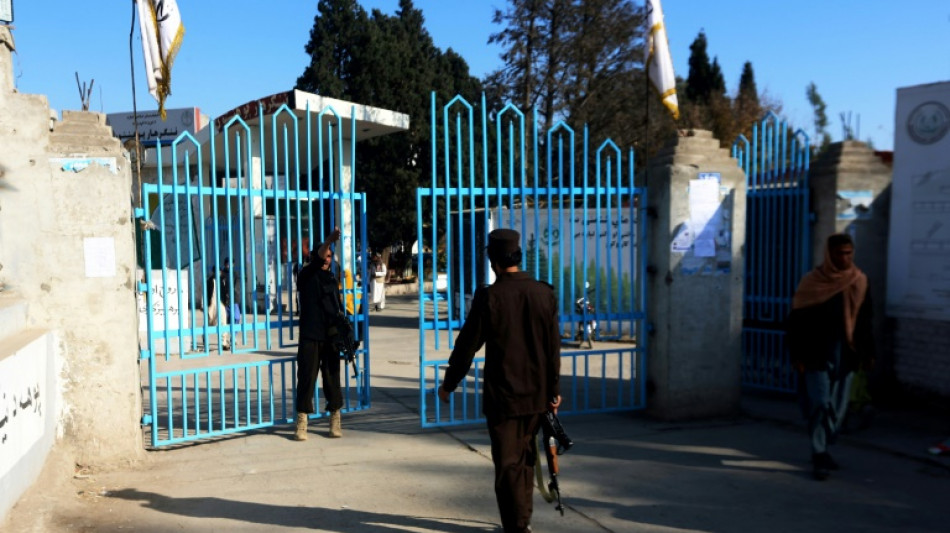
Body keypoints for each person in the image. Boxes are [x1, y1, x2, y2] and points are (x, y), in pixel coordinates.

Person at [438, 228, 561, 533]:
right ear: (518, 255)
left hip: (504, 398)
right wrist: (554, 391)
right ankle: (523, 523)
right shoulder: (544, 293)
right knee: (527, 461)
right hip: (537, 396)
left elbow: (467, 345)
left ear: (493, 260)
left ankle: (517, 527)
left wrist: (450, 383)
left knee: (508, 467)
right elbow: (552, 348)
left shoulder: (490, 297)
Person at [786, 233, 874, 481]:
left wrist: (869, 353)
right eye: (839, 253)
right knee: (820, 403)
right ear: (829, 254)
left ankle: (824, 444)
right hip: (815, 354)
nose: (844, 258)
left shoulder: (860, 281)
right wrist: (797, 355)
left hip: (846, 354)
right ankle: (819, 454)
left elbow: (866, 320)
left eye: (848, 253)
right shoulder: (811, 282)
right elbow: (796, 323)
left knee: (837, 408)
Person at [294, 227, 346, 440]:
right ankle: (302, 421)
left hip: (330, 335)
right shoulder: (306, 274)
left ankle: (335, 417)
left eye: (330, 256)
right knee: (306, 378)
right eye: (324, 255)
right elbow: (317, 259)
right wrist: (329, 240)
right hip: (310, 335)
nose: (327, 259)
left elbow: (337, 305)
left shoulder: (332, 279)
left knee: (332, 378)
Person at [205, 264, 231, 351]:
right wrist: (203, 305)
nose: (219, 273)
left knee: (223, 323)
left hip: (221, 304)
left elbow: (226, 292)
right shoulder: (209, 281)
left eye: (219, 271)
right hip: (211, 304)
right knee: (209, 323)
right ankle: (205, 339)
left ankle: (223, 343)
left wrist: (226, 302)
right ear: (213, 272)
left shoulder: (222, 280)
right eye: (217, 271)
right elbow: (205, 294)